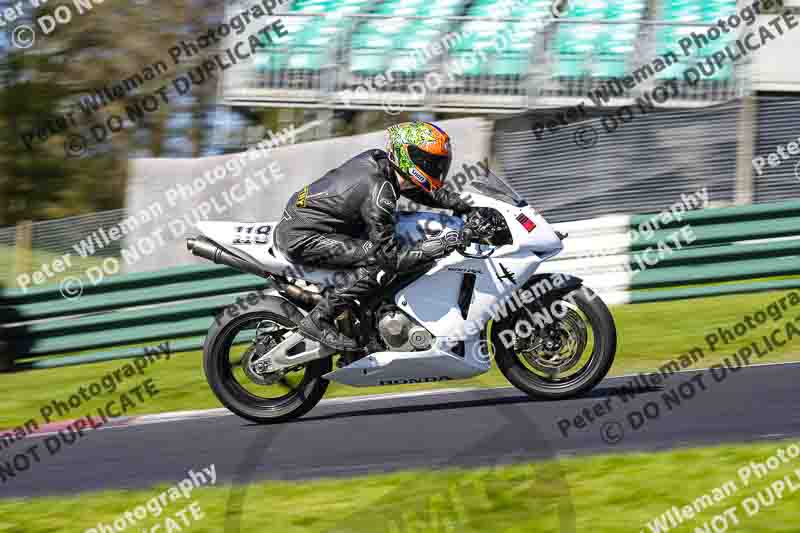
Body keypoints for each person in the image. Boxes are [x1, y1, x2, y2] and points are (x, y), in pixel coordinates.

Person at [274, 121, 473, 350]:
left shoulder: (381, 162)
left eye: (439, 162)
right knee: (379, 262)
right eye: (429, 161)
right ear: (408, 156)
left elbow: (420, 190)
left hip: (317, 222)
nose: (435, 167)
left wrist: (467, 207)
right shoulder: (380, 192)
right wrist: (442, 244)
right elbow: (390, 258)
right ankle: (320, 318)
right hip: (304, 236)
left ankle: (369, 319)